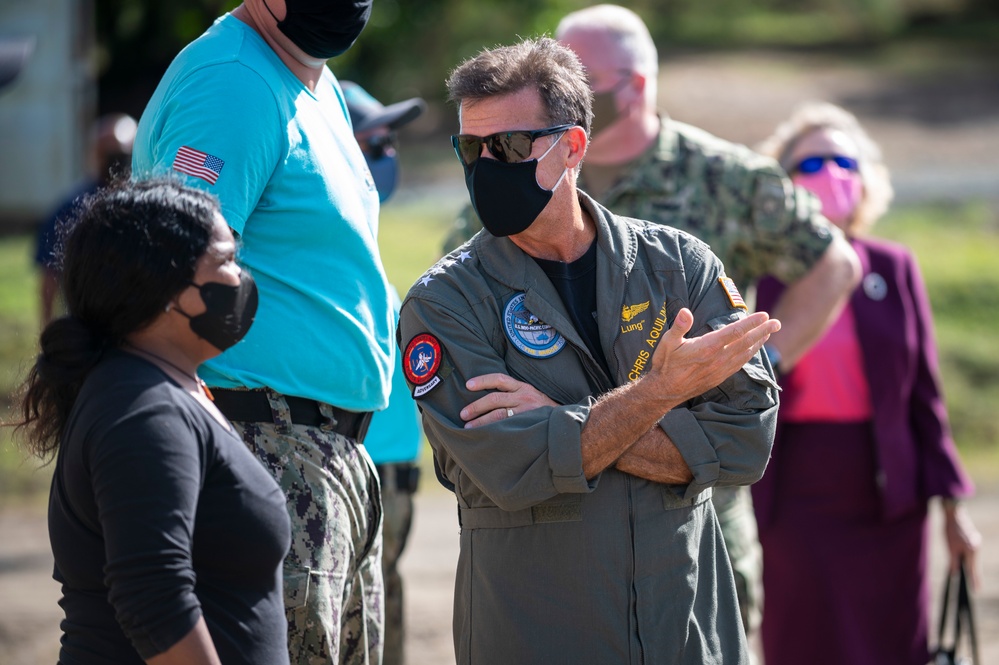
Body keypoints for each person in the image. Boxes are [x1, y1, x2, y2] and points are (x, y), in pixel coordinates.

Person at [441, 4, 862, 638]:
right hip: (565, 543)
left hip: (697, 509)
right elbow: (489, 400)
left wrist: (747, 368)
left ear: (633, 85)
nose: (567, 82)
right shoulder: (501, 178)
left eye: (583, 74)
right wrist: (652, 403)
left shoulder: (722, 176)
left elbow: (833, 264)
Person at [399, 36, 782, 663]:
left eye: (512, 146)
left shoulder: (678, 267)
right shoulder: (443, 304)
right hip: (539, 634)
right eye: (472, 148)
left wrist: (556, 417)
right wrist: (660, 395)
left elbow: (742, 444)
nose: (488, 165)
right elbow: (513, 470)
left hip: (684, 631)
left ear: (572, 146)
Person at [132, 1, 394, 662]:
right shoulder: (231, 81)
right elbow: (173, 275)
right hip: (263, 447)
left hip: (326, 455)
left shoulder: (311, 78)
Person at [10, 178, 290, 664]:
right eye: (225, 260)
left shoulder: (159, 389)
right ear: (165, 288)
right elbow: (153, 598)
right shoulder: (143, 410)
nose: (240, 276)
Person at [751, 101, 982, 665]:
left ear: (865, 177)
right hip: (795, 487)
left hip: (887, 496)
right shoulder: (763, 271)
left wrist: (953, 508)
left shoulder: (893, 266)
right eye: (810, 164)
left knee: (890, 641)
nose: (830, 174)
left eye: (842, 161)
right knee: (804, 637)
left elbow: (924, 397)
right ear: (784, 185)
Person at [342, 80, 426, 665]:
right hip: (358, 470)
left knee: (377, 611)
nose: (387, 155)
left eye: (389, 142)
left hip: (391, 473)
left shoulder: (362, 239)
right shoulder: (326, 245)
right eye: (373, 143)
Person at [35, 113, 137, 326]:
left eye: (122, 155)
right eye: (109, 154)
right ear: (94, 154)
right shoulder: (71, 208)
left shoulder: (148, 205)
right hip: (85, 327)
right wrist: (48, 331)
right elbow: (49, 275)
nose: (117, 163)